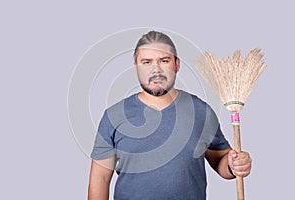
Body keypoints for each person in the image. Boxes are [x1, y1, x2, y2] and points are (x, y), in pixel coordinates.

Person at [88, 31, 252, 200]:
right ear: (136, 67)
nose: (156, 69)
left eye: (164, 61)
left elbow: (220, 160)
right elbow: (100, 179)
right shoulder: (114, 116)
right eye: (146, 62)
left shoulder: (201, 111)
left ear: (177, 64)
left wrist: (234, 165)